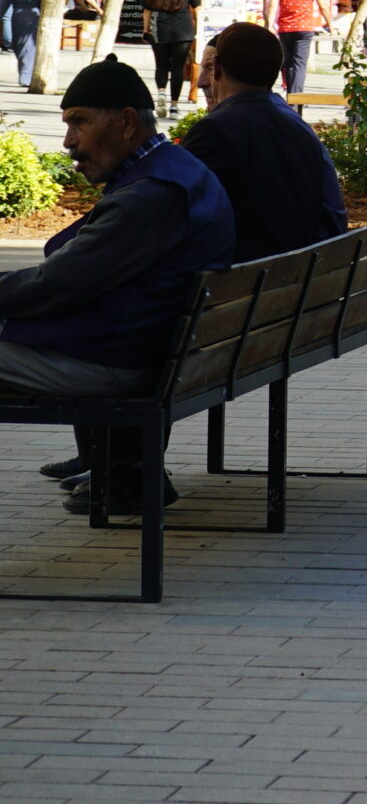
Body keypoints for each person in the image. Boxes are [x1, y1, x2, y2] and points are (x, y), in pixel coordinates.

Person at [1, 57, 234, 515]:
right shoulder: (180, 170)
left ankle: (129, 472)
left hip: (118, 362)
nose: (69, 141)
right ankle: (128, 471)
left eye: (79, 122)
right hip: (152, 350)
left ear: (127, 122)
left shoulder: (149, 197)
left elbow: (53, 285)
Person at [182, 23, 350, 263]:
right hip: (300, 272)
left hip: (245, 279)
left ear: (218, 67)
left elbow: (179, 216)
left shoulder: (215, 131)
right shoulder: (297, 127)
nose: (200, 82)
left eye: (208, 68)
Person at [262, 0, 334, 96]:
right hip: (305, 27)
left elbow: (273, 4)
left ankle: (291, 96)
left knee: (288, 63)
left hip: (285, 28)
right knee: (299, 64)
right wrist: (330, 24)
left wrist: (269, 24)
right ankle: (296, 99)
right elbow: (323, 5)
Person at [140, 0, 199, 114]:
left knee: (161, 65)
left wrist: (146, 30)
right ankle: (174, 106)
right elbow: (197, 7)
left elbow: (147, 10)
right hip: (183, 28)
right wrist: (198, 28)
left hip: (160, 27)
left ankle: (161, 93)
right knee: (178, 67)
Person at [5, 0, 39, 89]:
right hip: (34, 16)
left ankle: (25, 77)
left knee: (21, 46)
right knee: (26, 46)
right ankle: (25, 76)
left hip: (18, 16)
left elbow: (6, 0)